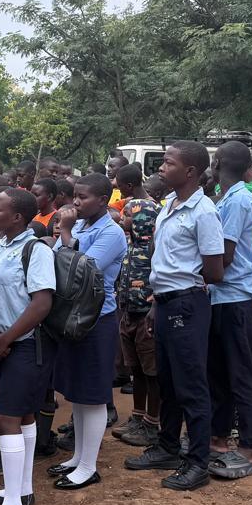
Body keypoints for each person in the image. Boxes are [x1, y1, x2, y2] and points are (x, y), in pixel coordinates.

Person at [125, 142, 223, 491]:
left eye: (168, 163)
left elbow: (214, 270)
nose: (161, 168)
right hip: (164, 302)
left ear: (190, 172)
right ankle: (167, 446)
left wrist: (181, 288)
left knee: (191, 386)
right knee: (167, 381)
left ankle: (198, 462)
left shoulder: (203, 212)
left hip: (187, 304)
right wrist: (156, 304)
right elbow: (163, 261)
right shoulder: (169, 204)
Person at [0, 188, 55, 505]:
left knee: (6, 418)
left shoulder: (36, 250)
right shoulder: (1, 247)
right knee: (22, 415)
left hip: (25, 344)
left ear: (18, 217)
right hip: (3, 344)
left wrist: (7, 337)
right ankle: (22, 489)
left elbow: (41, 303)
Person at [47, 173, 127, 490]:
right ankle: (78, 457)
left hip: (96, 319)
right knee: (78, 393)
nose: (76, 202)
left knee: (93, 395)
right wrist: (69, 234)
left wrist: (65, 232)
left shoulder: (112, 232)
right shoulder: (80, 226)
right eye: (75, 196)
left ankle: (89, 466)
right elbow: (56, 258)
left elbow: (81, 271)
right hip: (72, 318)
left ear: (103, 200)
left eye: (83, 197)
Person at [206, 141, 252, 479]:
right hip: (221, 296)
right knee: (219, 374)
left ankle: (249, 447)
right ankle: (219, 438)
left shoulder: (239, 199)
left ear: (217, 163)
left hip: (237, 297)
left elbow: (224, 255)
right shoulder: (227, 198)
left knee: (241, 374)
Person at [113, 167, 162, 448]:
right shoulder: (131, 247)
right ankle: (138, 416)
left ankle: (152, 423)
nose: (123, 218)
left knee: (151, 371)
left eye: (129, 216)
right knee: (137, 371)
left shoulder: (154, 250)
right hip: (129, 314)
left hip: (146, 316)